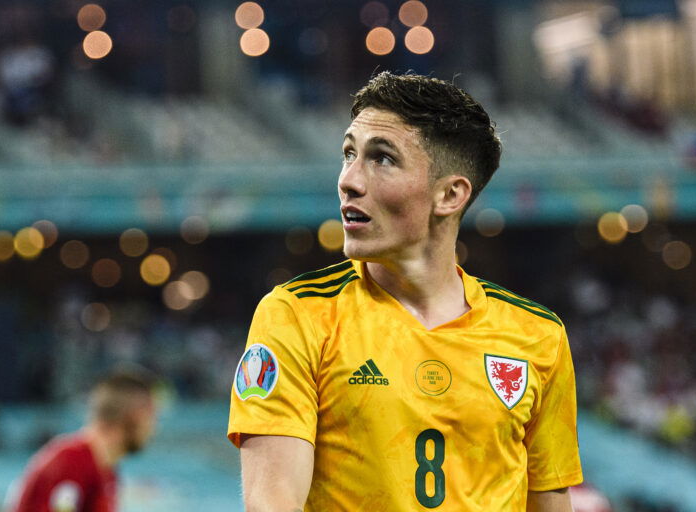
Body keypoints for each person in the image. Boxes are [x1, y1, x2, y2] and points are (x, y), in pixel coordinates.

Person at [228, 71, 583, 511]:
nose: (348, 180)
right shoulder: (298, 315)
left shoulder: (537, 336)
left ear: (450, 195)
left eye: (382, 159)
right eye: (348, 154)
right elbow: (273, 502)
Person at [8, 367, 158, 512]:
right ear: (135, 416)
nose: (153, 429)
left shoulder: (104, 469)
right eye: (151, 418)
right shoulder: (71, 463)